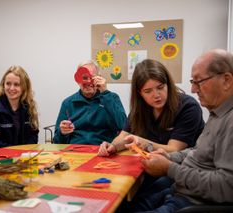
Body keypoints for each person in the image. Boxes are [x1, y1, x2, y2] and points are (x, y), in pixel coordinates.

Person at [127, 49, 233, 212]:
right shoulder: (217, 112)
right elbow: (197, 151)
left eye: (199, 82)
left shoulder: (228, 120)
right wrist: (169, 157)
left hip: (192, 201)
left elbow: (226, 187)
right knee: (123, 204)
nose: (192, 89)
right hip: (179, 189)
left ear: (226, 81)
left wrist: (169, 167)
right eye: (192, 82)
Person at [98, 59, 205, 193]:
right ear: (139, 93)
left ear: (168, 84)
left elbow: (174, 150)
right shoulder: (140, 109)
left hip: (180, 171)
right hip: (150, 166)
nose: (156, 95)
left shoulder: (188, 106)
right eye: (148, 91)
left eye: (160, 87)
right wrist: (112, 146)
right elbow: (124, 136)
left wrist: (145, 144)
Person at [53, 60, 126, 145]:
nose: (88, 82)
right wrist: (62, 132)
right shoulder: (68, 103)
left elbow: (124, 126)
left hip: (103, 149)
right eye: (84, 78)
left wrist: (105, 93)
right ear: (78, 80)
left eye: (92, 77)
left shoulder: (112, 97)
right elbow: (57, 141)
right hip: (75, 151)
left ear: (99, 78)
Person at [0, 65, 39, 153]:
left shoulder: (28, 107)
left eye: (16, 84)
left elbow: (33, 134)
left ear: (24, 87)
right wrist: (15, 151)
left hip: (22, 158)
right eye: (8, 83)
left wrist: (26, 152)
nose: (11, 88)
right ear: (3, 84)